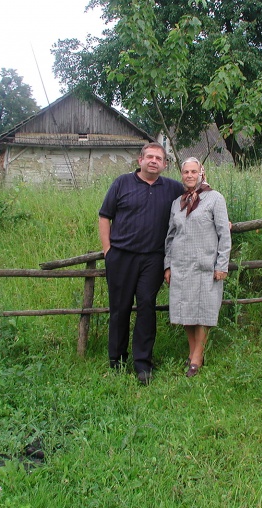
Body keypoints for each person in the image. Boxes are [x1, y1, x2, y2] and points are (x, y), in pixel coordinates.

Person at [99, 142, 185, 385]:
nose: (153, 161)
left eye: (159, 158)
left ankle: (143, 363)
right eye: (149, 157)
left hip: (153, 259)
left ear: (165, 164)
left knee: (146, 306)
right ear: (140, 160)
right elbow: (105, 216)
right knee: (120, 307)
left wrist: (222, 219)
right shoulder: (121, 183)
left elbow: (196, 195)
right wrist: (108, 250)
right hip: (121, 257)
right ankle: (116, 359)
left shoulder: (172, 188)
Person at [164, 157, 232, 378]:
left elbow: (224, 234)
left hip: (206, 266)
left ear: (202, 172)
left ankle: (196, 358)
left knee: (204, 311)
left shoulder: (215, 199)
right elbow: (170, 237)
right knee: (186, 311)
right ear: (182, 175)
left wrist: (222, 265)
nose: (189, 175)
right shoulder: (177, 203)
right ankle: (195, 353)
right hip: (181, 267)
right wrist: (168, 266)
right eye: (186, 172)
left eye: (194, 171)